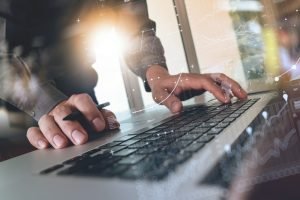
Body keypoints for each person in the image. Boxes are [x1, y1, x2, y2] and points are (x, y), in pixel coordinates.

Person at [0, 0, 247, 149]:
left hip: (81, 101)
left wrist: (156, 72)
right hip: (14, 118)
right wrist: (46, 103)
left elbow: (131, 20)